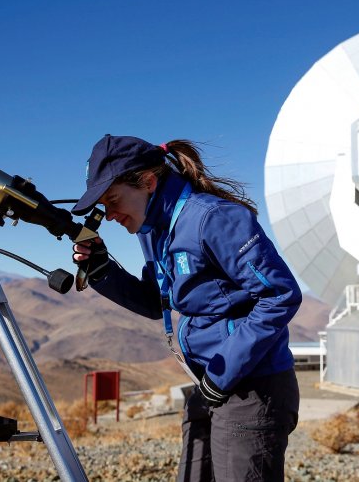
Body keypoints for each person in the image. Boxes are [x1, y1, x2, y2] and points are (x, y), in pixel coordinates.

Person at [71, 135, 302, 481]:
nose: (110, 215)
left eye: (113, 199)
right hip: (208, 383)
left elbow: (280, 295)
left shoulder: (213, 219)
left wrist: (222, 374)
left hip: (250, 388)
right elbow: (154, 301)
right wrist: (104, 271)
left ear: (148, 182)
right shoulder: (153, 231)